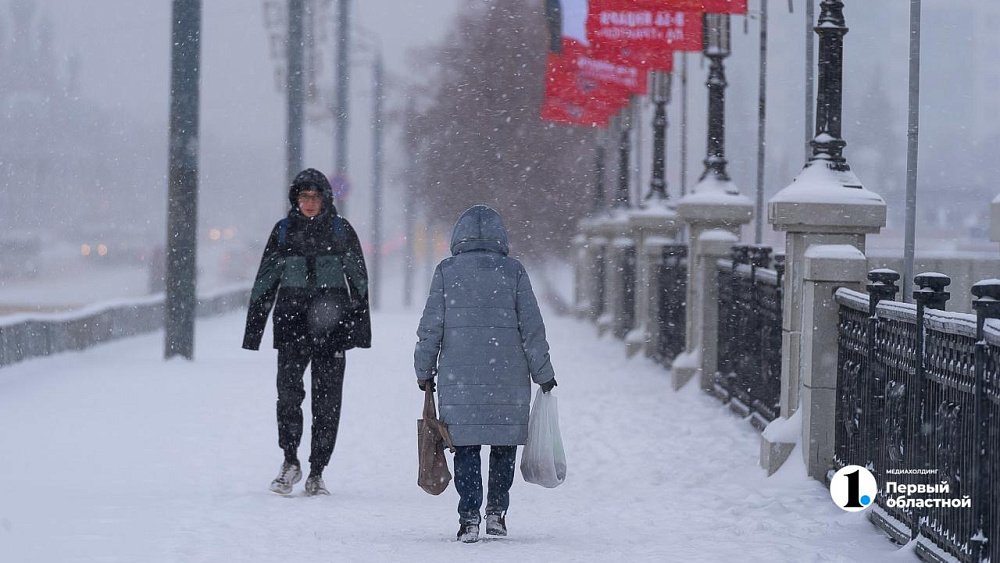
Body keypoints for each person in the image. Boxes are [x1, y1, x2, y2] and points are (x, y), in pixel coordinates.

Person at [414, 204, 557, 543]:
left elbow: (431, 327)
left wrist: (424, 369)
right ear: (500, 237)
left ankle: (469, 517)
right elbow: (532, 328)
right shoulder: (513, 272)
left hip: (458, 379)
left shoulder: (446, 271)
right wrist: (543, 373)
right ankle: (496, 512)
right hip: (508, 378)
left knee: (465, 445)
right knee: (504, 443)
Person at [242, 168, 371, 496]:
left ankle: (317, 470)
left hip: (333, 329)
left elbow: (358, 280)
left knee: (327, 402)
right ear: (295, 199)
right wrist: (253, 332)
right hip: (291, 326)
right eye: (304, 197)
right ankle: (290, 462)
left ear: (325, 198)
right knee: (288, 397)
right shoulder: (284, 232)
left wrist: (359, 331)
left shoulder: (340, 231)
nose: (310, 203)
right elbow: (265, 281)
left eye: (315, 197)